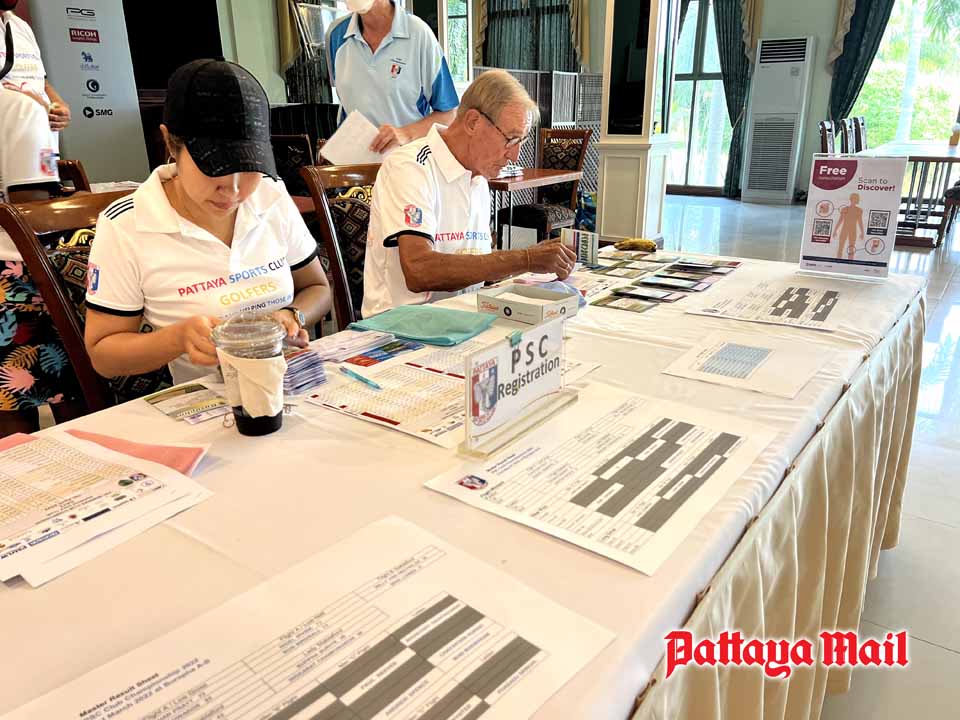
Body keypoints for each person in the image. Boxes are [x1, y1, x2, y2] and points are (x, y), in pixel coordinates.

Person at [84, 60, 332, 385]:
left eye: (249, 166)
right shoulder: (127, 225)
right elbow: (103, 356)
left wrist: (291, 315)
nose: (233, 190)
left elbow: (317, 288)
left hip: (290, 383)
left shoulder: (270, 195)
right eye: (213, 166)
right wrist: (177, 338)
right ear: (170, 143)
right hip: (207, 400)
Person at [361, 69, 577, 318]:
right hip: (400, 323)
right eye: (510, 139)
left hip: (461, 317)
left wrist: (532, 265)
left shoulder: (478, 178)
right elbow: (419, 270)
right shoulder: (410, 166)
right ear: (473, 122)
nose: (514, 155)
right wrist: (525, 259)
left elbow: (475, 264)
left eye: (521, 142)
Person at [0, 87, 81, 437]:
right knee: (70, 395)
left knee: (8, 401)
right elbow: (35, 206)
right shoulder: (21, 108)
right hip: (18, 272)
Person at [326, 0, 458, 153]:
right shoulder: (335, 35)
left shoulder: (419, 34)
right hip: (354, 161)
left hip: (407, 160)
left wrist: (405, 133)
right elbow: (345, 106)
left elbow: (449, 115)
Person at [0, 2, 72, 133]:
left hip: (43, 135)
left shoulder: (20, 25)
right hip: (7, 135)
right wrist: (31, 103)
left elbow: (42, 81)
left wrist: (58, 104)